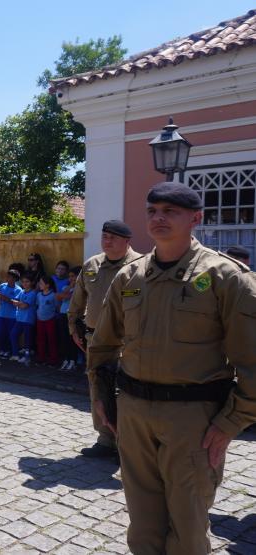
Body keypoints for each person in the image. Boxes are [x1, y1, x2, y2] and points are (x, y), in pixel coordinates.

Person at [88, 182, 256, 553]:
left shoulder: (226, 277)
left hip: (193, 420)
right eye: (152, 211)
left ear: (195, 218)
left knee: (188, 525)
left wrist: (230, 423)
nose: (158, 218)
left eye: (170, 211)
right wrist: (100, 397)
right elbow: (101, 346)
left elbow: (252, 364)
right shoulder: (130, 277)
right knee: (143, 522)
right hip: (133, 414)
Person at [68, 219, 143, 460]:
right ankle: (105, 439)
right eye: (104, 236)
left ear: (126, 241)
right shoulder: (92, 266)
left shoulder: (141, 267)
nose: (107, 241)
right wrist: (74, 327)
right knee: (98, 389)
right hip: (95, 341)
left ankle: (128, 442)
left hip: (127, 342)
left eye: (113, 237)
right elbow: (77, 302)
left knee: (126, 392)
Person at [10, 274, 38, 365]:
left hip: (28, 319)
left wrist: (18, 303)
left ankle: (27, 357)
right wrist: (19, 303)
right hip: (19, 319)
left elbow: (25, 305)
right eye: (23, 282)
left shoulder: (33, 293)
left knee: (27, 339)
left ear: (32, 283)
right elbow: (14, 302)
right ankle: (15, 354)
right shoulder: (22, 292)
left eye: (27, 282)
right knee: (13, 334)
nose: (25, 284)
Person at [56, 266, 80, 371]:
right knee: (64, 338)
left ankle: (73, 361)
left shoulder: (81, 288)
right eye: (69, 276)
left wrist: (71, 290)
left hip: (73, 315)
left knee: (72, 339)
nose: (71, 278)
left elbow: (70, 297)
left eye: (73, 276)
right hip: (62, 314)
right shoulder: (67, 286)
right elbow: (60, 296)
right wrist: (71, 286)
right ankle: (66, 359)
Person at [0, 269, 22, 358]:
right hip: (1, 314)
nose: (7, 278)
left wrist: (3, 297)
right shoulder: (2, 285)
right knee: (0, 333)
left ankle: (9, 351)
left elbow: (15, 302)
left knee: (10, 334)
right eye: (7, 276)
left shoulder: (18, 290)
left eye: (9, 277)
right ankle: (2, 350)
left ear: (14, 279)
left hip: (12, 316)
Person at [34, 275, 59, 366]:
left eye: (41, 283)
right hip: (40, 320)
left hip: (50, 320)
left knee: (51, 339)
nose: (39, 284)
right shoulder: (39, 295)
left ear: (47, 285)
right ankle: (41, 357)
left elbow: (57, 307)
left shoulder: (53, 295)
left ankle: (53, 359)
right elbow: (38, 305)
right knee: (40, 339)